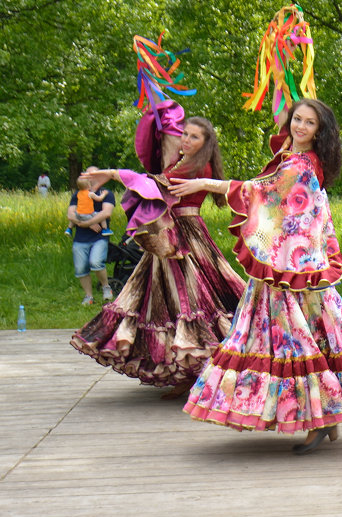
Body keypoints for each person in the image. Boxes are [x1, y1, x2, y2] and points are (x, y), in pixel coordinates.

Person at [174, 98, 342, 453]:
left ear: (319, 132)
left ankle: (321, 417)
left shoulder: (301, 165)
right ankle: (328, 417)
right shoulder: (302, 160)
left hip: (290, 268)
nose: (300, 127)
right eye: (297, 119)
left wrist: (208, 182)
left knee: (298, 341)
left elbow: (260, 191)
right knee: (316, 335)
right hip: (293, 264)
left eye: (310, 123)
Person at [72, 108, 247, 398]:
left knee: (190, 300)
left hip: (184, 236)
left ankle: (203, 369)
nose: (187, 140)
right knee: (164, 300)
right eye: (185, 135)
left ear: (206, 144)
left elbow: (153, 185)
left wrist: (114, 174)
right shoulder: (183, 162)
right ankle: (187, 369)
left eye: (194, 137)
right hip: (168, 235)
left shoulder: (195, 168)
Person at [68, 167, 117, 305]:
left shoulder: (106, 193)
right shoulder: (77, 194)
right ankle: (88, 296)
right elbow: (70, 214)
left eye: (92, 174)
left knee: (96, 262)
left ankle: (106, 287)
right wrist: (87, 224)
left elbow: (106, 213)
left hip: (99, 237)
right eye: (87, 175)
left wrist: (87, 221)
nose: (89, 177)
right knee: (80, 268)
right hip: (80, 237)